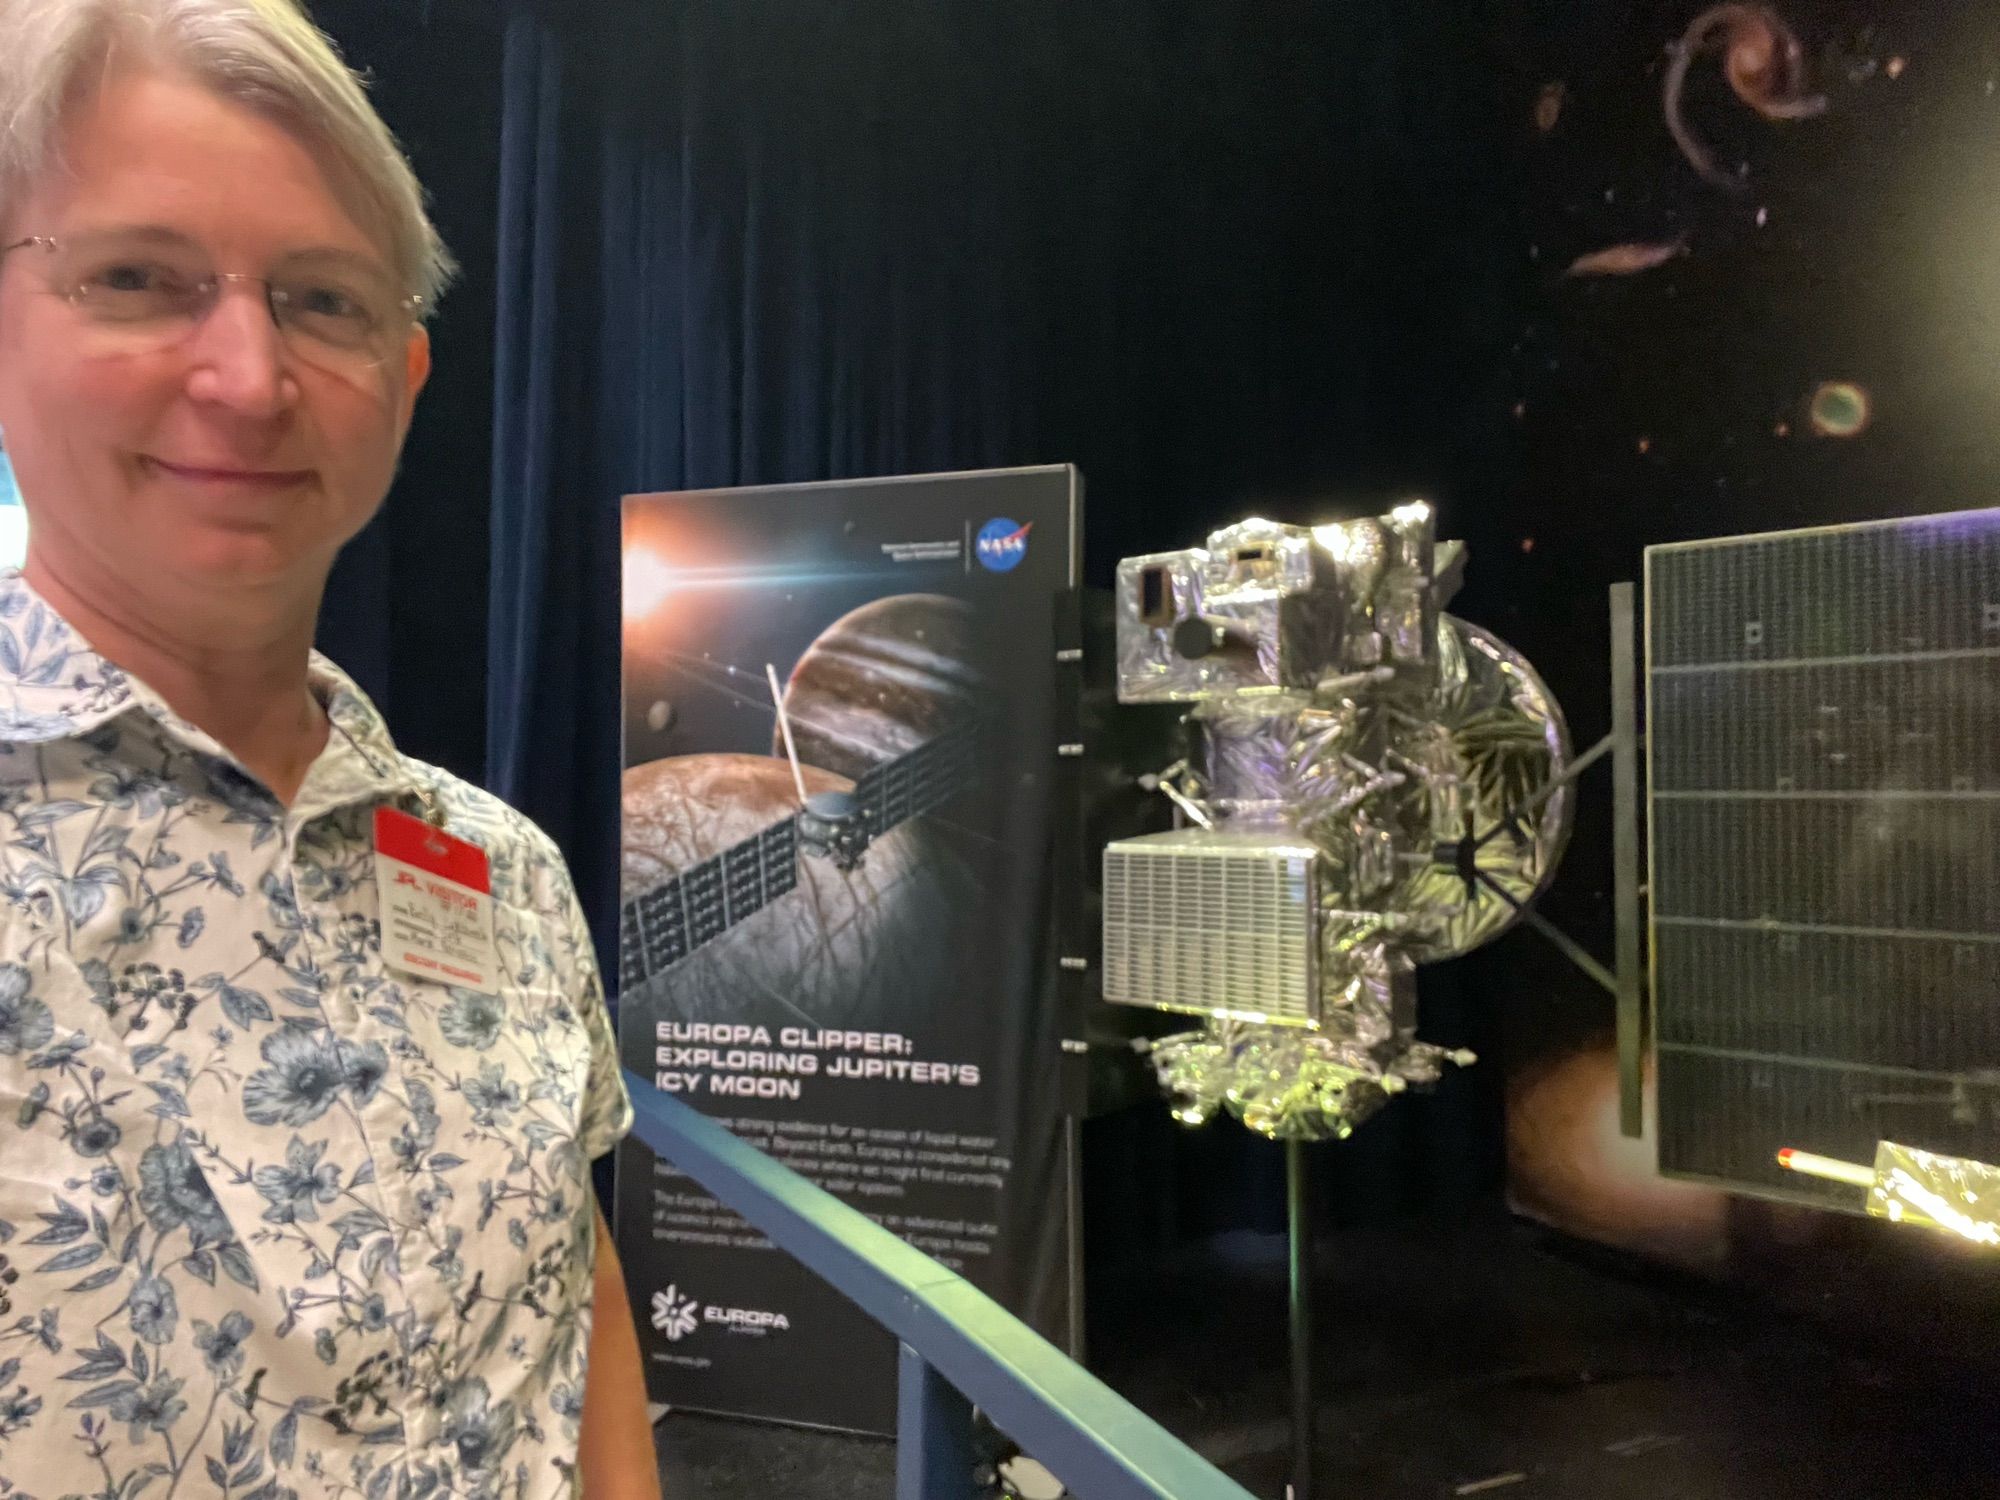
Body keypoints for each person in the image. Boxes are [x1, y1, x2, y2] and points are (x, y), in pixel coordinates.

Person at [0, 2, 661, 1496]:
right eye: (137, 278)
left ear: (410, 385)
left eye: (324, 300)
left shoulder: (505, 875)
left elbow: (577, 1288)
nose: (249, 376)